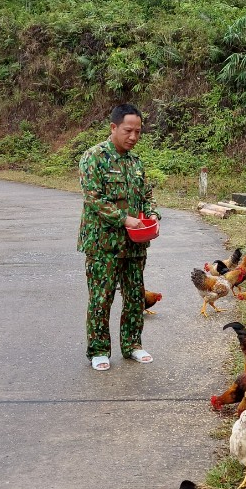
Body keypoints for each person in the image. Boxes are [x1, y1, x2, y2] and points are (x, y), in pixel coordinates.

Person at [77, 103, 159, 371]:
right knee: (102, 297)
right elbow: (93, 198)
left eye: (138, 132)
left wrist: (152, 215)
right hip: (103, 244)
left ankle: (133, 345)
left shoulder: (136, 163)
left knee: (135, 296)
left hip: (135, 243)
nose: (133, 137)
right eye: (128, 131)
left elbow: (146, 196)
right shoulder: (94, 157)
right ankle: (99, 350)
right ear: (113, 127)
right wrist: (124, 219)